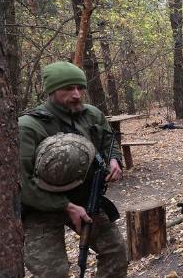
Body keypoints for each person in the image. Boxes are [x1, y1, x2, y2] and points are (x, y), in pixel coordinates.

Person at [19, 61, 128, 278]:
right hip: (41, 206)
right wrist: (65, 206)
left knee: (116, 253)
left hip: (86, 199)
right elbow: (22, 185)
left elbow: (110, 141)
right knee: (53, 272)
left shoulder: (92, 115)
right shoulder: (28, 127)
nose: (76, 94)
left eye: (80, 88)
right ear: (51, 91)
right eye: (68, 89)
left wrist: (115, 160)